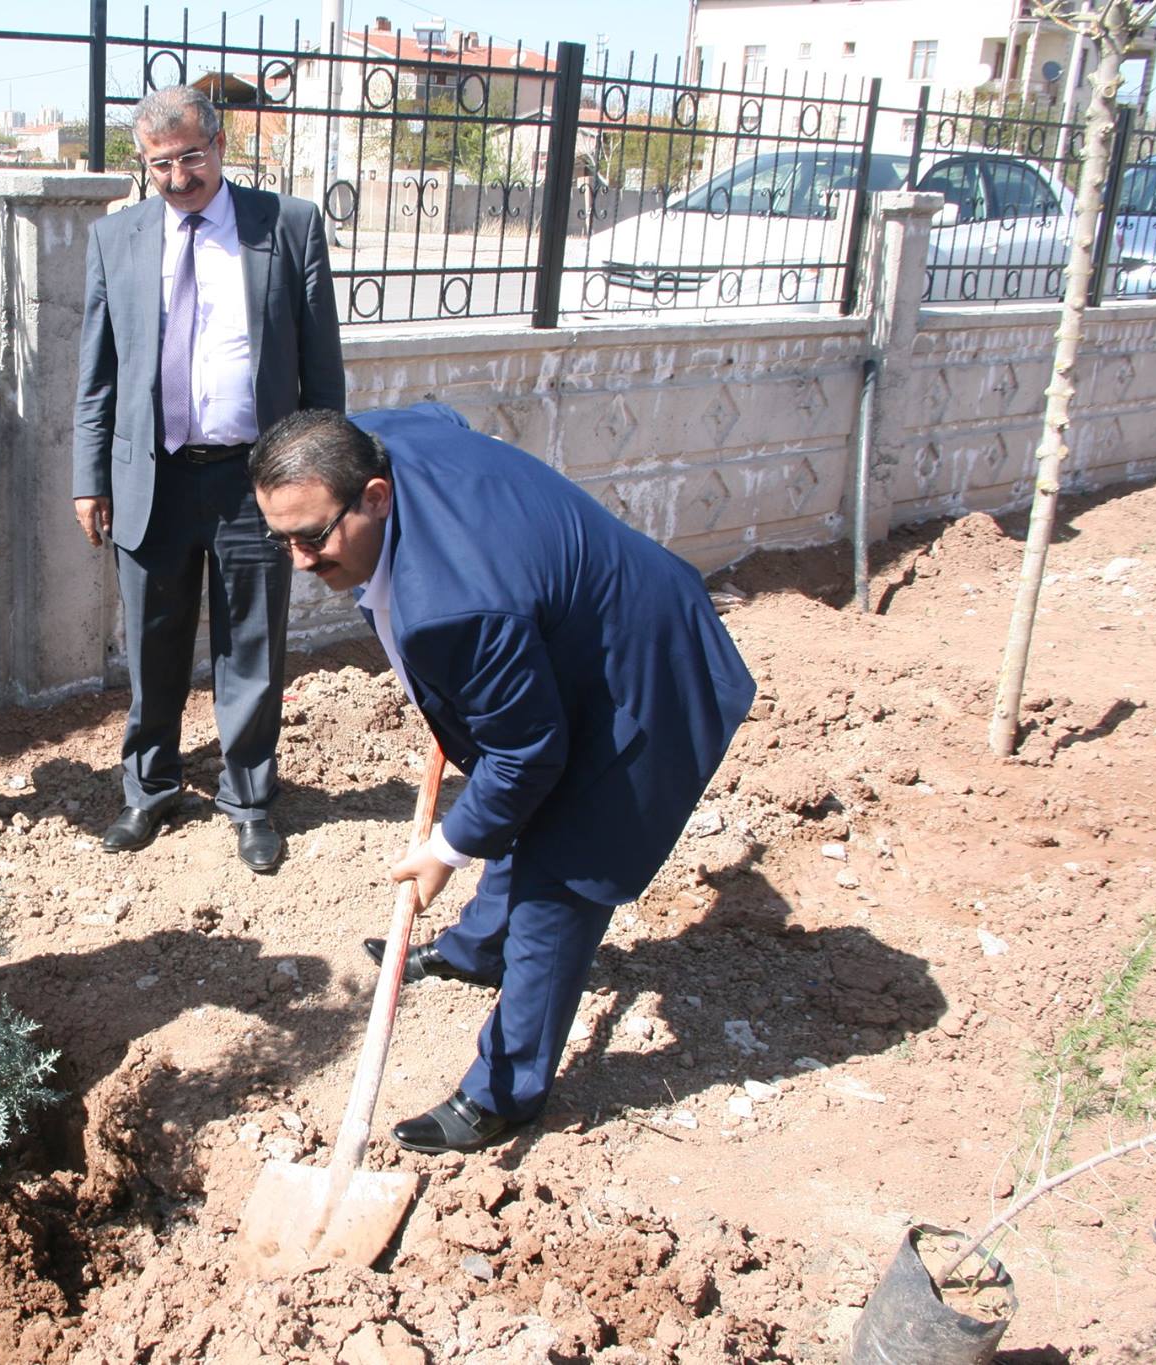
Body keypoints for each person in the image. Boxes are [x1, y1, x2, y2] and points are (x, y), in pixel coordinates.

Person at [248, 404, 756, 1153]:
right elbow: (436, 415)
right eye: (281, 537)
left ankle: (506, 1091)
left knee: (561, 872)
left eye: (314, 537)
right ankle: (476, 949)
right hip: (561, 630)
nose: (298, 560)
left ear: (376, 495)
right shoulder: (373, 444)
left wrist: (446, 851)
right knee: (511, 794)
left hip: (642, 677)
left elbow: (527, 757)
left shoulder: (453, 606)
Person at [72, 84, 344, 873]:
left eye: (192, 155)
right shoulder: (114, 241)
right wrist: (90, 478)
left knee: (252, 649)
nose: (179, 175)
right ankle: (149, 790)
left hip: (256, 480)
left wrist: (323, 476)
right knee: (151, 647)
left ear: (220, 145)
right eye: (161, 163)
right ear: (144, 164)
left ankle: (250, 799)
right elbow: (97, 377)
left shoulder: (285, 228)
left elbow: (322, 371)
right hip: (150, 479)